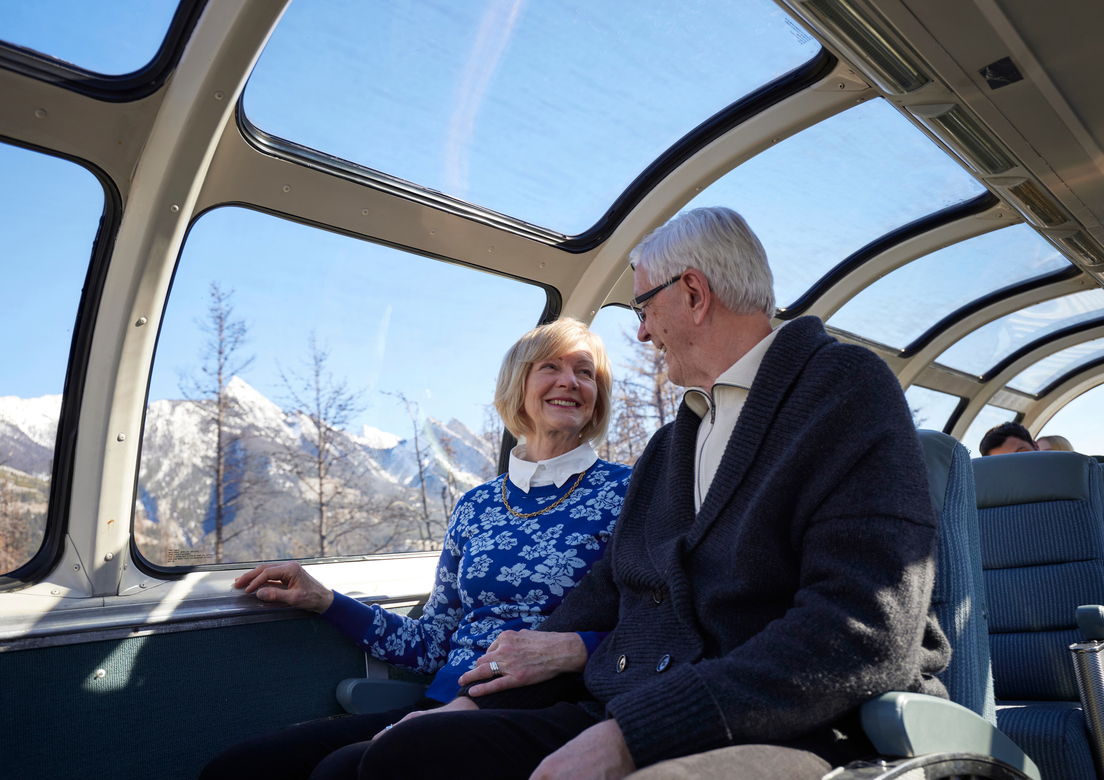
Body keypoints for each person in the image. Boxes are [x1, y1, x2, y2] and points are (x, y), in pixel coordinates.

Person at [350, 207, 949, 780]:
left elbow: (863, 627)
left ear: (691, 293)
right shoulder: (673, 445)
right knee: (412, 756)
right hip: (638, 701)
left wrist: (635, 734)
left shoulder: (841, 391)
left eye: (643, 306)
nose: (639, 332)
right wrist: (478, 705)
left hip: (798, 720)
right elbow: (606, 593)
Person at [200, 318, 632, 780]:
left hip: (545, 705)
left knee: (339, 772)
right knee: (241, 768)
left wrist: (575, 649)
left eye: (585, 372)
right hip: (442, 699)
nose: (570, 381)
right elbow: (432, 642)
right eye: (551, 367)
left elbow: (657, 629)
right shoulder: (477, 504)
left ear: (598, 396)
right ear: (519, 386)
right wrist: (323, 599)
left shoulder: (630, 492)